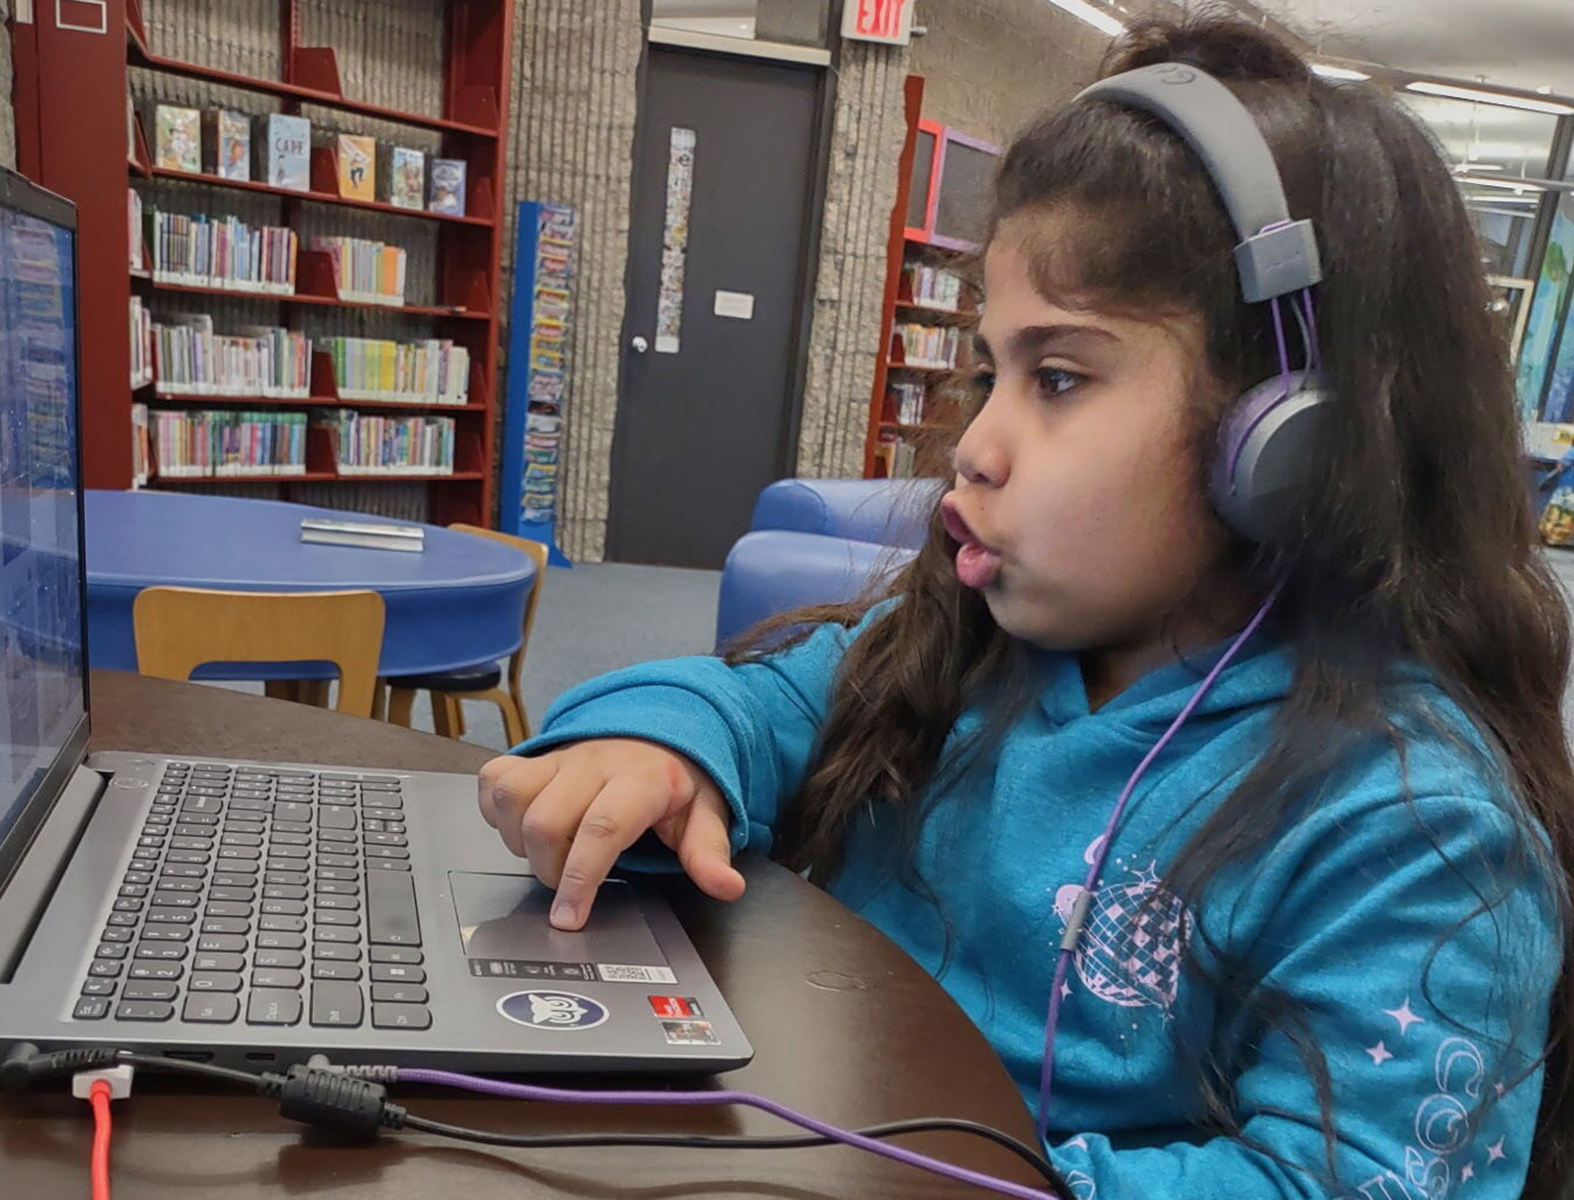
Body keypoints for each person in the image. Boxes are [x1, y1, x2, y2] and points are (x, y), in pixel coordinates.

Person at [478, 16, 1572, 1200]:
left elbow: (1346, 1183)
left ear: (1282, 441)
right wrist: (660, 745)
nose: (978, 446)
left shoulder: (1413, 830)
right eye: (990, 369)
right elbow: (759, 699)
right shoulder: (978, 650)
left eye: (1058, 377)